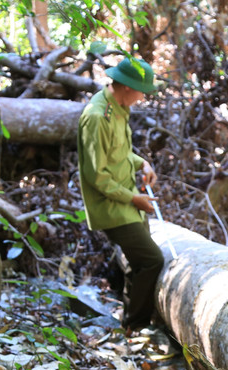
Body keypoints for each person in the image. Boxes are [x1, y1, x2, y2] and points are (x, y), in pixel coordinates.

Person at [77, 57, 164, 332]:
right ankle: (137, 326)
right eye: (141, 92)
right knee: (152, 260)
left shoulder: (118, 107)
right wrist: (133, 199)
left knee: (137, 262)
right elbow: (97, 176)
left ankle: (130, 323)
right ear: (126, 87)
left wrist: (143, 164)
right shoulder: (96, 116)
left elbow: (121, 152)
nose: (142, 97)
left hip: (126, 201)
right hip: (111, 206)